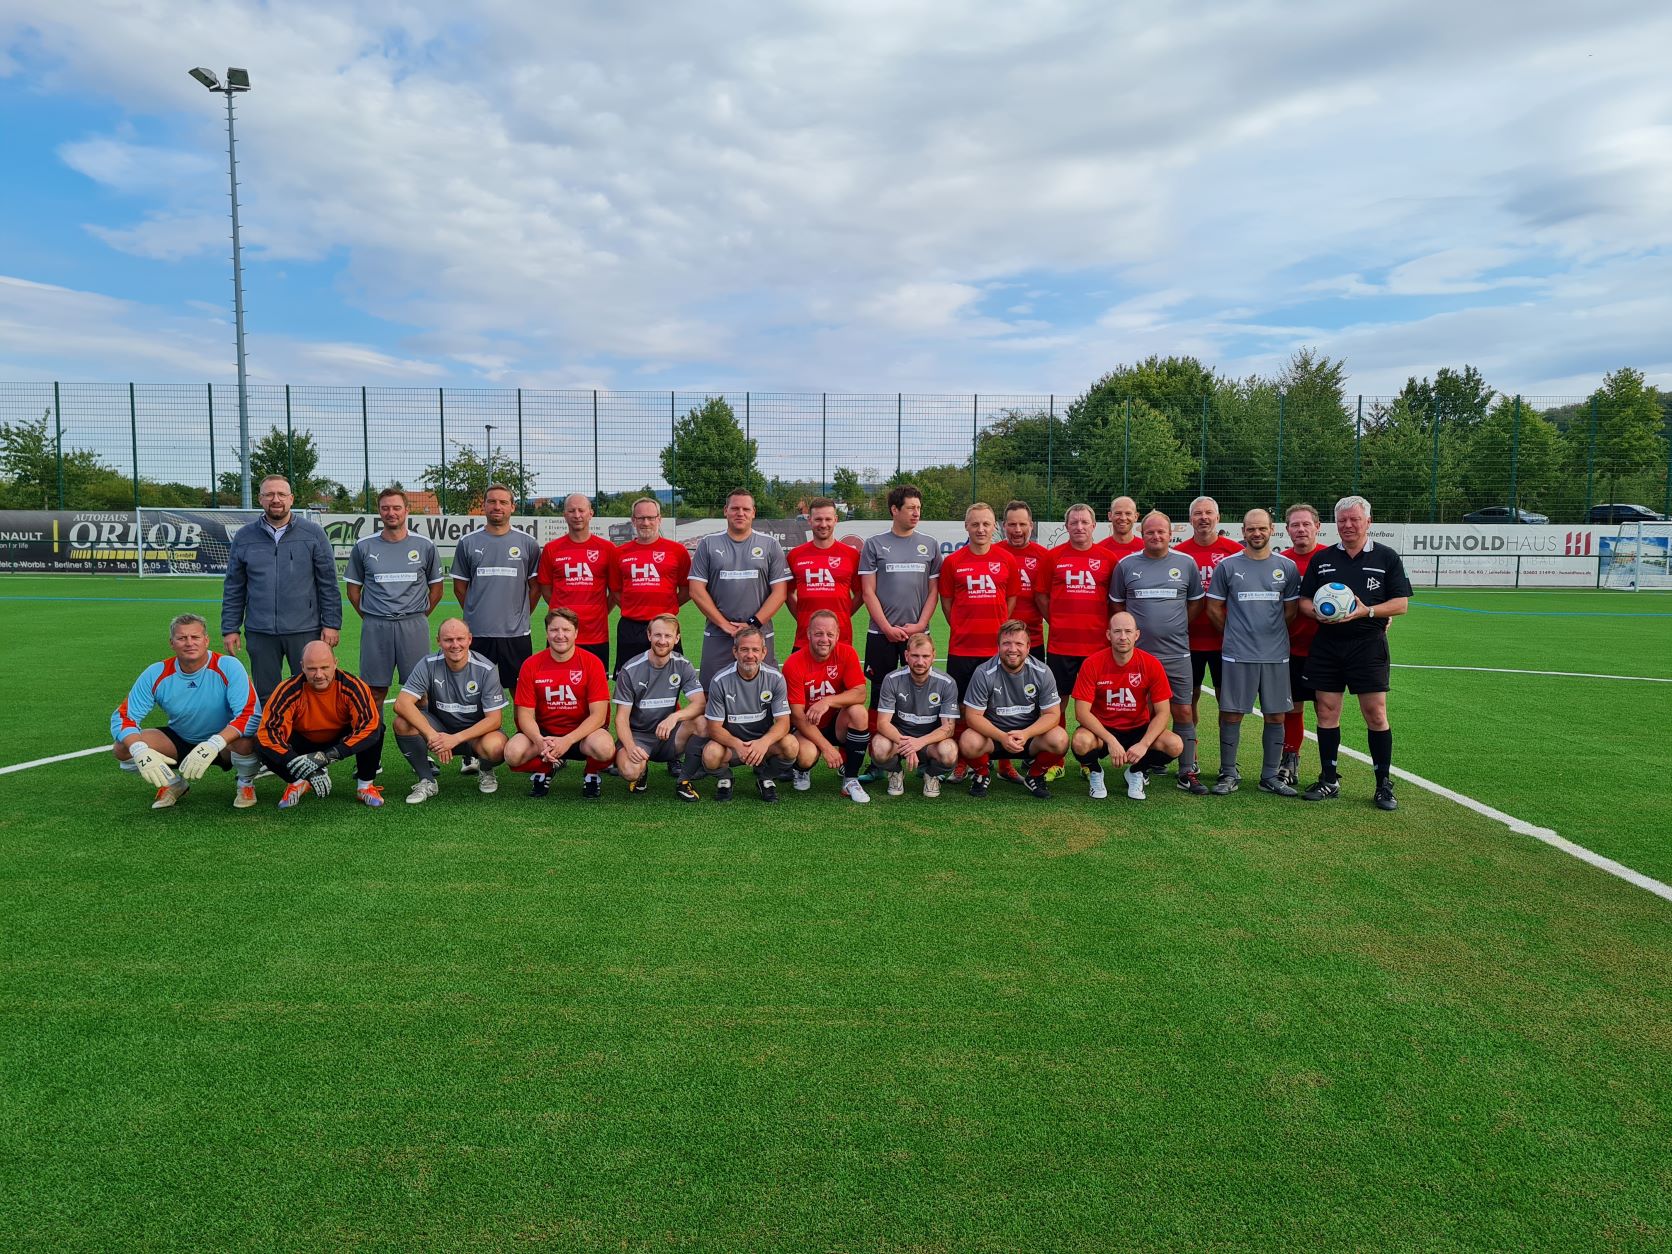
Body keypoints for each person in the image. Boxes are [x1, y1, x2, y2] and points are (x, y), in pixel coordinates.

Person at [1298, 495, 1412, 810]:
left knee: (1375, 713)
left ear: (1368, 522)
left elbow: (1401, 604)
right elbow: (1304, 601)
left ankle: (1383, 784)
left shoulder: (1386, 557)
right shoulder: (1323, 559)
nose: (1348, 525)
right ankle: (1329, 779)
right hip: (1328, 645)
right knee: (1326, 711)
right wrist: (1317, 613)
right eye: (1342, 520)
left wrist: (1367, 611)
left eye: (1354, 519)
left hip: (1368, 645)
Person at [111, 612, 263, 809]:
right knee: (123, 748)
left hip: (224, 744)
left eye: (195, 637)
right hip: (180, 738)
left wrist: (214, 743)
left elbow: (250, 715)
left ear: (206, 640)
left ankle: (245, 785)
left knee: (246, 740)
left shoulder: (228, 666)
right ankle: (173, 784)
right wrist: (139, 750)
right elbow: (123, 716)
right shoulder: (156, 672)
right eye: (182, 638)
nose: (189, 643)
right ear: (172, 643)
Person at [1110, 511, 1210, 794]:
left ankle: (1187, 771)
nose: (1156, 536)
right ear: (1142, 534)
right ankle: (1141, 767)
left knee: (1183, 709)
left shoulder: (1186, 563)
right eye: (1150, 532)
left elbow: (1196, 603)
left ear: (1170, 534)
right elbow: (1117, 606)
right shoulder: (1126, 565)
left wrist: (1173, 627)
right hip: (1139, 656)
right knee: (1142, 713)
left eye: (1161, 532)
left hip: (1177, 654)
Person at [1205, 509, 1301, 795]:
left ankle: (1269, 776)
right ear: (1243, 531)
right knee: (1231, 713)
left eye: (1262, 528)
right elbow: (1213, 608)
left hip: (1275, 654)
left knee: (1276, 715)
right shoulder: (1227, 566)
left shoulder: (1287, 567)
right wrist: (1236, 633)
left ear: (1272, 529)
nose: (1256, 533)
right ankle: (1228, 773)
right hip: (1238, 653)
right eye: (1251, 529)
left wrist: (1269, 634)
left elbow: (1291, 610)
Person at [220, 474, 341, 700]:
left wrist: (332, 624)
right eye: (269, 494)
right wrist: (230, 628)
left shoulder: (313, 534)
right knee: (267, 696)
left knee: (310, 692)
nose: (276, 499)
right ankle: (270, 725)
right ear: (260, 499)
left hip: (305, 629)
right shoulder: (244, 536)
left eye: (281, 494)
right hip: (260, 631)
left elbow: (328, 583)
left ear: (291, 499)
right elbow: (234, 586)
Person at [939, 502, 1020, 778]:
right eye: (975, 524)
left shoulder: (1006, 560)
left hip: (996, 650)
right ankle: (964, 762)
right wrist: (963, 626)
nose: (981, 529)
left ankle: (1004, 764)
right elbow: (947, 603)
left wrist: (998, 627)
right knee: (963, 707)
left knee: (1001, 708)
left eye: (986, 524)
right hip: (962, 648)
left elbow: (1010, 598)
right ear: (966, 526)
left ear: (994, 526)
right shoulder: (953, 561)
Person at [391, 618, 510, 803]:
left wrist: (455, 739)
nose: (455, 645)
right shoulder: (428, 663)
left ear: (469, 639)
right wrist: (432, 735)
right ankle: (427, 780)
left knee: (497, 747)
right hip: (440, 730)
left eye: (460, 639)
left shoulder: (486, 669)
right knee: (402, 723)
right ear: (439, 641)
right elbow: (401, 704)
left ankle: (486, 769)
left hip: (475, 735)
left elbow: (494, 720)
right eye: (448, 640)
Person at [256, 640, 385, 809]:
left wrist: (328, 756)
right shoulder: (288, 690)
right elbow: (268, 733)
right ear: (302, 667)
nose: (319, 674)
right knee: (260, 743)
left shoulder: (352, 686)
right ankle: (298, 782)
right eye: (312, 669)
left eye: (324, 667)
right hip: (302, 741)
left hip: (338, 739)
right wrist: (301, 766)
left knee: (376, 729)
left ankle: (365, 786)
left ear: (335, 663)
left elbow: (369, 725)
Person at [346, 487, 444, 708]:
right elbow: (353, 591)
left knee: (420, 692)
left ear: (407, 510)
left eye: (396, 508)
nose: (391, 513)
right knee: (374, 691)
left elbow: (437, 590)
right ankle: (374, 732)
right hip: (376, 626)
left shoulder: (425, 545)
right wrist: (372, 616)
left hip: (413, 625)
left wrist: (418, 616)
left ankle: (420, 732)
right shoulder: (363, 546)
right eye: (386, 508)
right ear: (379, 511)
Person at [504, 607, 615, 799]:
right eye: (554, 630)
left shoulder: (592, 663)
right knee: (513, 753)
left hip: (583, 735)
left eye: (566, 630)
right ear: (547, 633)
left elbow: (598, 716)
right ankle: (546, 767)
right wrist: (539, 741)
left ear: (576, 633)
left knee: (605, 748)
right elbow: (524, 715)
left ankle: (591, 773)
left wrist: (568, 740)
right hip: (545, 734)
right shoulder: (531, 665)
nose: (560, 635)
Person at [1070, 611, 1182, 800]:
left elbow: (1163, 712)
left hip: (1138, 729)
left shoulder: (1151, 664)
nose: (1123, 637)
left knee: (1174, 745)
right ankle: (1095, 772)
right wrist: (1111, 741)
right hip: (1102, 730)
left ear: (1136, 635)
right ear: (1108, 635)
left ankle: (1136, 771)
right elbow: (1081, 713)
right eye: (1117, 631)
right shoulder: (1092, 663)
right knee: (1081, 742)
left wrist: (1144, 744)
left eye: (1128, 631)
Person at [687, 488, 792, 688]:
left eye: (746, 509)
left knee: (763, 690)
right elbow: (696, 590)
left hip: (758, 633)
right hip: (718, 634)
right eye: (735, 508)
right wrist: (724, 625)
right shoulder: (708, 544)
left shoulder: (770, 545)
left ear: (754, 512)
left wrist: (753, 623)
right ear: (725, 511)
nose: (740, 513)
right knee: (711, 691)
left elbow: (780, 593)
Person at [958, 620, 1068, 799]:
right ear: (998, 646)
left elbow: (1053, 715)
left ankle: (1035, 776)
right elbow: (972, 716)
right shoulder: (983, 673)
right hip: (994, 739)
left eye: (1019, 644)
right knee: (968, 741)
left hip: (1028, 738)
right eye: (1006, 643)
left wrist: (1026, 733)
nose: (1012, 649)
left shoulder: (1042, 672)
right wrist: (1002, 736)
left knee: (1060, 738)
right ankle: (982, 774)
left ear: (1028, 647)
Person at [450, 483, 540, 693]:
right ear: (483, 506)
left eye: (503, 502)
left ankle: (520, 721)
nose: (497, 506)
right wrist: (476, 613)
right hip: (478, 632)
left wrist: (520, 615)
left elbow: (535, 588)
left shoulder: (528, 543)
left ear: (512, 507)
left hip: (516, 633)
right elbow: (460, 588)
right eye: (491, 502)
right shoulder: (467, 542)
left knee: (520, 690)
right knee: (474, 689)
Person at [858, 484, 941, 706]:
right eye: (911, 508)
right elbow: (868, 592)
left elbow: (934, 591)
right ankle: (877, 729)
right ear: (894, 510)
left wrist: (920, 625)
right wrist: (886, 627)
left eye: (918, 508)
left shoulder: (930, 544)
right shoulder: (874, 544)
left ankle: (914, 728)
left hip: (917, 633)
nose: (916, 513)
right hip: (881, 632)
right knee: (879, 689)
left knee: (918, 688)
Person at [1039, 503, 1117, 735]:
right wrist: (1057, 621)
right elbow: (1041, 596)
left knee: (1096, 703)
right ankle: (1054, 752)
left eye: (1084, 522)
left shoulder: (1109, 558)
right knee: (1057, 703)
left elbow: (1115, 600)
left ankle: (1092, 752)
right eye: (1074, 522)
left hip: (1097, 646)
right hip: (1061, 646)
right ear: (1066, 526)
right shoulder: (1052, 557)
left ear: (1094, 525)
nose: (1079, 527)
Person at [612, 613, 707, 800]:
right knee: (630, 771)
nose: (662, 641)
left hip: (669, 735)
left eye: (668, 636)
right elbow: (621, 719)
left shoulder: (682, 665)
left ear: (676, 639)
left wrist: (674, 717)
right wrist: (630, 747)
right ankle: (641, 773)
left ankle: (684, 780)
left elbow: (700, 703)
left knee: (702, 723)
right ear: (649, 636)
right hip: (639, 736)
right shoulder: (630, 669)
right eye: (657, 635)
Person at [699, 626, 798, 803]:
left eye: (755, 650)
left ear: (764, 652)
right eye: (744, 649)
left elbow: (783, 722)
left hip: (763, 744)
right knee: (710, 755)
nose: (750, 655)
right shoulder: (720, 680)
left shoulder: (775, 678)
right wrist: (737, 744)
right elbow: (714, 728)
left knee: (791, 745)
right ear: (735, 652)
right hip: (731, 746)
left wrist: (763, 743)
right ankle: (726, 778)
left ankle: (765, 778)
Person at [782, 609, 871, 803]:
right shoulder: (794, 663)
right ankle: (801, 770)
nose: (824, 639)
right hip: (807, 725)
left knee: (858, 712)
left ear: (837, 635)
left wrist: (827, 701)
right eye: (818, 634)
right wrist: (827, 748)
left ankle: (851, 779)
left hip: (835, 723)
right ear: (808, 634)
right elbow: (797, 715)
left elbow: (860, 693)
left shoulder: (847, 653)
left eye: (830, 634)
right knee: (806, 756)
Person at [1175, 495, 1243, 745]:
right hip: (1187, 641)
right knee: (1187, 699)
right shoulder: (1178, 554)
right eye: (1198, 513)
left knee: (1226, 701)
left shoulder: (1235, 552)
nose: (1203, 518)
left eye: (1208, 513)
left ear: (1218, 517)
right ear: (1190, 519)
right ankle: (1190, 755)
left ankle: (1227, 757)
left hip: (1225, 642)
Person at [871, 632, 960, 797]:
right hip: (899, 740)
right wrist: (908, 744)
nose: (920, 662)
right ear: (906, 655)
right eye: (915, 656)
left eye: (925, 656)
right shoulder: (891, 679)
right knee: (879, 747)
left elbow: (948, 728)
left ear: (933, 656)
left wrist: (920, 742)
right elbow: (882, 723)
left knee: (950, 752)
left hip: (930, 743)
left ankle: (931, 775)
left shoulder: (947, 683)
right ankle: (895, 772)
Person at [537, 493, 618, 672]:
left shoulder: (608, 549)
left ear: (591, 513)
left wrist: (599, 612)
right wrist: (563, 614)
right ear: (564, 515)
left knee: (596, 685)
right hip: (560, 633)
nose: (577, 515)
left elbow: (614, 592)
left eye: (581, 510)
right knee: (558, 683)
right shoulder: (551, 549)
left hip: (595, 635)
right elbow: (546, 590)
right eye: (571, 511)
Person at [612, 496, 690, 670]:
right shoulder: (619, 553)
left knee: (670, 678)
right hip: (630, 628)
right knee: (629, 679)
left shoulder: (678, 551)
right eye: (640, 518)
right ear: (633, 520)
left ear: (659, 519)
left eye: (651, 518)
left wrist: (667, 608)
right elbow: (615, 591)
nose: (646, 523)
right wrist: (634, 608)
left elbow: (687, 590)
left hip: (666, 627)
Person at [1278, 503, 1324, 787]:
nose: (1301, 529)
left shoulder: (1331, 558)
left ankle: (1327, 768)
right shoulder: (1281, 562)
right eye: (1295, 525)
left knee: (1326, 709)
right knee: (1292, 708)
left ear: (1317, 526)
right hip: (1289, 648)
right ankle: (1290, 759)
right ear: (1287, 530)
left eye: (1306, 524)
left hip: (1325, 650)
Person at [786, 497, 861, 651]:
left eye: (828, 519)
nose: (823, 524)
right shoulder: (795, 555)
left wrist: (844, 614)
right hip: (805, 639)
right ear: (809, 520)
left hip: (841, 639)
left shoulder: (852, 555)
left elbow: (861, 593)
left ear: (836, 520)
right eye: (818, 519)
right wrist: (802, 617)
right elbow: (787, 592)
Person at [1001, 499, 1050, 658]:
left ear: (1031, 525)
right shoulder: (993, 553)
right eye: (1012, 524)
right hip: (1000, 639)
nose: (1017, 530)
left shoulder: (1045, 557)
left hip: (1032, 640)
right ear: (1004, 526)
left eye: (1022, 524)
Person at [1102, 495, 1143, 560]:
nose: (1123, 518)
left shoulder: (1146, 549)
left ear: (1136, 517)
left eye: (1128, 513)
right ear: (1110, 516)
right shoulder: (1100, 549)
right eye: (1118, 513)